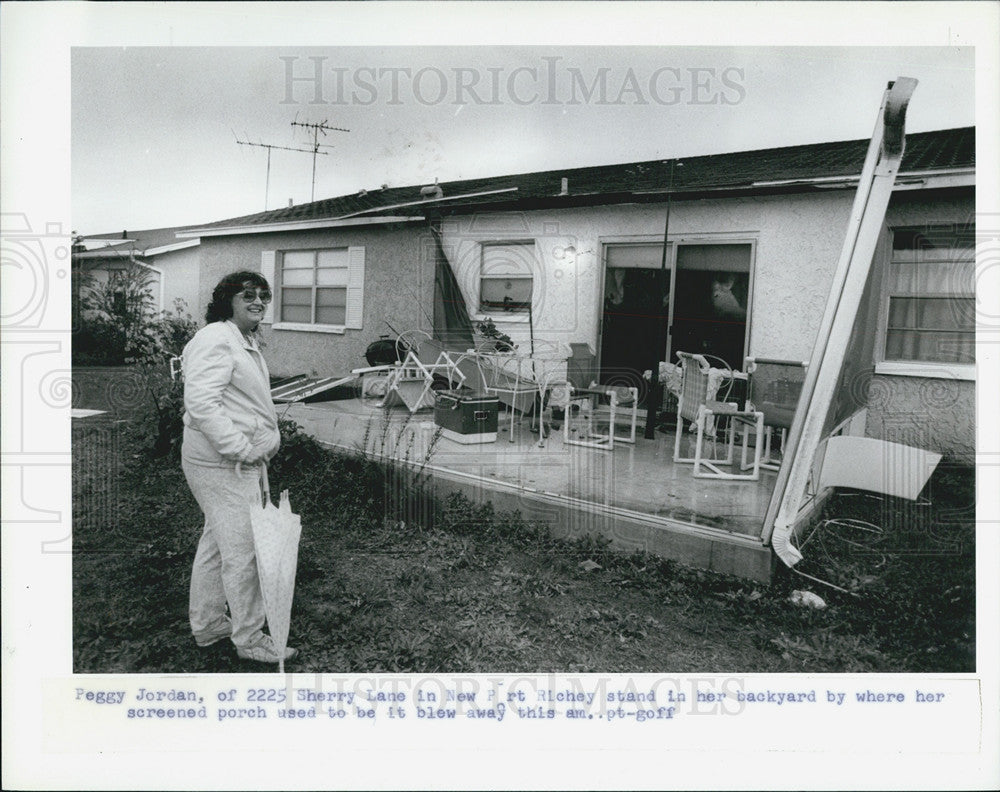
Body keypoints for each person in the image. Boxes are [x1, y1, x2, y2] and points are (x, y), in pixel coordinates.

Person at [180, 270, 296, 664]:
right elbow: (202, 405)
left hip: (231, 461)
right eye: (248, 295)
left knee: (218, 543)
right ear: (227, 300)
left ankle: (209, 624)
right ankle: (249, 638)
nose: (259, 301)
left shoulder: (240, 338)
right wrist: (242, 449)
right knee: (244, 551)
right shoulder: (216, 339)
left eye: (264, 295)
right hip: (222, 463)